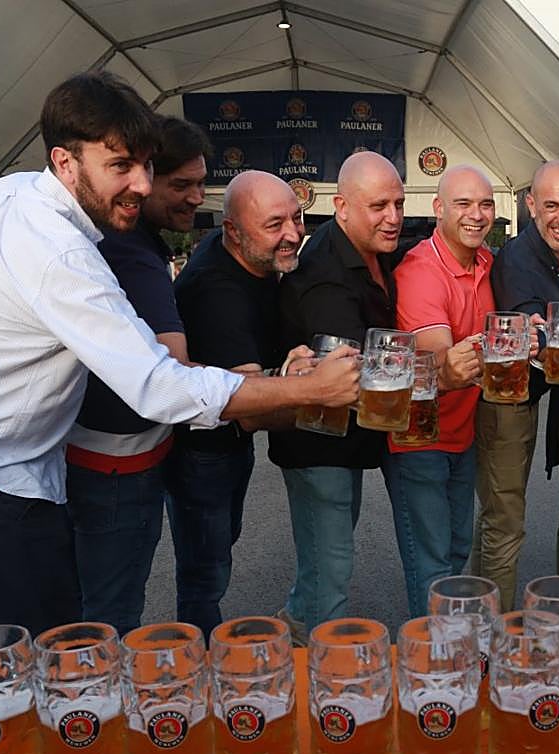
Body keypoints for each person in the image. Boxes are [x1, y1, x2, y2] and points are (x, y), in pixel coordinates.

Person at [0, 71, 358, 754]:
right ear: (65, 162)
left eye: (142, 164)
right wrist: (309, 387)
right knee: (70, 657)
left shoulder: (7, 193)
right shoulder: (66, 255)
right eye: (118, 166)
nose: (138, 183)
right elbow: (160, 386)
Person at [64, 117, 210, 636]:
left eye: (200, 183)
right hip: (116, 471)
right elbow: (173, 373)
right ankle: (97, 715)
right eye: (180, 185)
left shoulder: (126, 242)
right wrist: (277, 381)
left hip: (86, 458)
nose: (194, 197)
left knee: (88, 609)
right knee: (109, 618)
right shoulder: (131, 253)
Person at [165, 170, 314, 639]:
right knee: (205, 569)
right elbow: (249, 407)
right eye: (275, 225)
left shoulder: (253, 258)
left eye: (297, 217)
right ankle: (201, 664)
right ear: (232, 231)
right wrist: (327, 392)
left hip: (225, 442)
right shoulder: (216, 291)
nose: (292, 234)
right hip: (202, 447)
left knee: (218, 544)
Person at [269, 151, 405, 639]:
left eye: (398, 203)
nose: (392, 218)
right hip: (317, 440)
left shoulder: (370, 248)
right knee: (333, 567)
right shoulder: (326, 273)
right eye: (379, 206)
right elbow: (349, 377)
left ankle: (295, 628)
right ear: (342, 206)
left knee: (322, 557)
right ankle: (329, 683)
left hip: (343, 443)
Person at [474, 160, 559, 610]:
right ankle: (493, 636)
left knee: (496, 521)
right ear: (530, 205)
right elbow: (529, 334)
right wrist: (542, 335)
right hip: (505, 398)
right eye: (553, 205)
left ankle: (475, 613)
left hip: (527, 395)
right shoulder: (521, 259)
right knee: (504, 522)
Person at [384, 165, 495, 615]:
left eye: (485, 204)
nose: (476, 214)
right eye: (463, 204)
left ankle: (450, 655)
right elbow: (438, 358)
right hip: (418, 438)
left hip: (461, 431)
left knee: (454, 553)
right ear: (438, 209)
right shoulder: (421, 270)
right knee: (431, 567)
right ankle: (432, 667)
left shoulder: (486, 260)